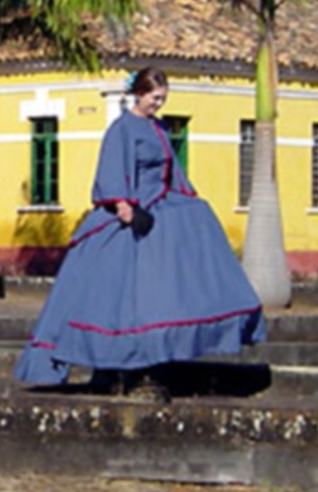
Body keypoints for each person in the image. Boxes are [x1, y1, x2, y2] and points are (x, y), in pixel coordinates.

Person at [14, 66, 266, 396]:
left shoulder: (157, 128)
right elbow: (112, 170)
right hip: (131, 212)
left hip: (161, 205)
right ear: (139, 94)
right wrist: (126, 209)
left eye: (162, 99)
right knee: (117, 298)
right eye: (154, 98)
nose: (158, 104)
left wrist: (187, 201)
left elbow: (172, 171)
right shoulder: (122, 129)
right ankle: (112, 365)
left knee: (180, 261)